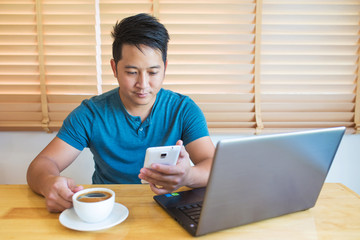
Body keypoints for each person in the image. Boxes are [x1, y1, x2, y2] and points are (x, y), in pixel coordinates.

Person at [27, 13, 215, 213]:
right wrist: (49, 183)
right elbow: (41, 164)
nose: (142, 84)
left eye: (152, 72)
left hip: (168, 208)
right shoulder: (91, 113)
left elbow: (213, 166)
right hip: (107, 208)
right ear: (114, 68)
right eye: (132, 72)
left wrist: (188, 176)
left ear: (165, 68)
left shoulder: (183, 109)